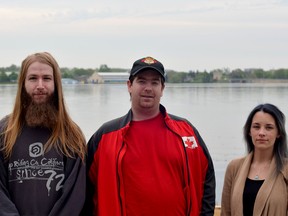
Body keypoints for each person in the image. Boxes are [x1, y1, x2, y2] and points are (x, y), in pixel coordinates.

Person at [83, 56, 215, 216]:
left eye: (155, 82)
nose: (148, 88)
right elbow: (85, 188)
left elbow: (207, 178)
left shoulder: (186, 131)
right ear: (129, 85)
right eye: (142, 81)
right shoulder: (105, 136)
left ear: (162, 88)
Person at [0, 52, 86, 216]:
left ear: (56, 84)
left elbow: (74, 196)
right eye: (33, 78)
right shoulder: (4, 131)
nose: (40, 85)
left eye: (46, 78)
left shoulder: (72, 135)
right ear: (23, 84)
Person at [221, 103, 288, 216]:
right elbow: (226, 212)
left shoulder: (286, 170)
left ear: (279, 133)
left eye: (269, 127)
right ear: (249, 131)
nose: (261, 133)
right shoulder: (234, 167)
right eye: (256, 127)